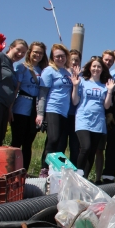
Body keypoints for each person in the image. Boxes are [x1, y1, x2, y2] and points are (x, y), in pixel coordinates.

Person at [71, 58, 115, 178]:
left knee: (92, 151)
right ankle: (77, 174)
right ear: (90, 68)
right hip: (83, 119)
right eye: (94, 66)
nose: (96, 69)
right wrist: (75, 86)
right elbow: (75, 101)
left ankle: (84, 178)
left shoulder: (104, 85)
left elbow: (106, 106)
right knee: (86, 146)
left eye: (99, 67)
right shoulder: (82, 82)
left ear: (102, 69)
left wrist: (110, 91)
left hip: (98, 121)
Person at [10, 41, 49, 170]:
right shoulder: (23, 67)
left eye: (41, 53)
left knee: (28, 143)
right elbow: (16, 88)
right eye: (36, 52)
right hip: (21, 107)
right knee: (17, 142)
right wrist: (10, 107)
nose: (38, 55)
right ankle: (11, 170)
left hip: (34, 109)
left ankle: (24, 171)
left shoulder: (43, 70)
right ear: (30, 52)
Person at [36, 44, 73, 178]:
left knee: (61, 143)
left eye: (62, 56)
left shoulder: (67, 72)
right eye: (57, 56)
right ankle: (44, 169)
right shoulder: (49, 71)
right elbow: (42, 93)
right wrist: (40, 113)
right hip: (52, 108)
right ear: (53, 57)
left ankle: (57, 169)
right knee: (53, 139)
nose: (60, 58)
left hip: (65, 112)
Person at [94, 49, 115, 185]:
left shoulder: (110, 77)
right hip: (88, 118)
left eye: (110, 61)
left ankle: (97, 178)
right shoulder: (93, 73)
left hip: (103, 118)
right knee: (86, 148)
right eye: (106, 59)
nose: (108, 62)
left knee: (99, 150)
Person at [65, 49, 82, 165]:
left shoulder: (83, 76)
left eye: (77, 60)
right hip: (63, 114)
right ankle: (56, 169)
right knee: (60, 143)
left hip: (76, 116)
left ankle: (73, 171)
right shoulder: (63, 73)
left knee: (75, 146)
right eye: (72, 59)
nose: (74, 62)